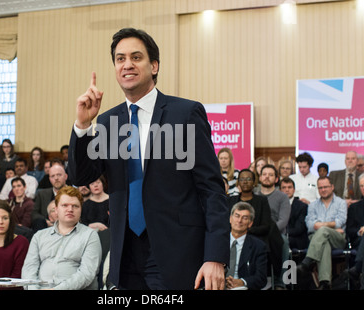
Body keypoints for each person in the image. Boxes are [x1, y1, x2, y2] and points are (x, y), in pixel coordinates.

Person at [68, 28, 229, 290]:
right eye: (120, 59)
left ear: (153, 66)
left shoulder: (185, 113)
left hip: (177, 253)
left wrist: (215, 256)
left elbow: (212, 190)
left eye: (136, 57)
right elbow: (80, 176)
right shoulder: (108, 121)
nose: (127, 65)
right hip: (126, 254)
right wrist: (83, 125)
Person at [21, 186, 102, 290]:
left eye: (75, 206)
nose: (70, 209)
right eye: (65, 205)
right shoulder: (39, 236)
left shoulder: (90, 236)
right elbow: (29, 269)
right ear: (56, 209)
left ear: (81, 209)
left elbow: (87, 273)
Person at [229, 169, 283, 285]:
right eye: (242, 179)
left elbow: (266, 226)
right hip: (234, 237)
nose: (245, 182)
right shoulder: (231, 200)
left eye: (248, 179)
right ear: (238, 182)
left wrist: (246, 230)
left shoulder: (261, 200)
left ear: (254, 182)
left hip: (258, 238)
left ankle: (277, 282)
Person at [297, 176, 347, 290]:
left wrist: (320, 225)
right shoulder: (312, 205)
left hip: (337, 238)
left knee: (323, 231)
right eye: (320, 188)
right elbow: (310, 225)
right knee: (324, 244)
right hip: (318, 240)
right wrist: (331, 226)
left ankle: (307, 262)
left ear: (332, 187)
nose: (323, 190)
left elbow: (340, 222)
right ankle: (325, 283)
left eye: (325, 187)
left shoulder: (341, 203)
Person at [226, 201, 268, 290]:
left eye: (244, 218)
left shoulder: (259, 246)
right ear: (230, 218)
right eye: (237, 216)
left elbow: (261, 278)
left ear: (250, 223)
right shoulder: (218, 241)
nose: (239, 221)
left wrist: (242, 282)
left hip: (242, 287)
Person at [31, 162, 67, 231]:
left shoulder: (74, 194)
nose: (56, 178)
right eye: (52, 176)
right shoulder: (42, 194)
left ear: (65, 176)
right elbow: (34, 213)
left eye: (59, 175)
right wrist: (45, 221)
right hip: (46, 228)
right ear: (49, 179)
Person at [279, 177, 309, 250]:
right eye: (284, 188)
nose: (287, 190)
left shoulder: (302, 206)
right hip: (278, 237)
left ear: (294, 190)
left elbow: (299, 229)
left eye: (289, 187)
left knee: (280, 241)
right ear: (279, 190)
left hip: (297, 239)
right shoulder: (275, 205)